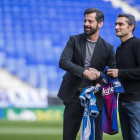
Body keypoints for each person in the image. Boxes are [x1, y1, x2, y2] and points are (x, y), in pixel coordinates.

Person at [58, 8, 116, 140]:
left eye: (90, 21)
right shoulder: (74, 40)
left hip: (95, 99)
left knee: (95, 137)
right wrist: (84, 72)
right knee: (68, 137)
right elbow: (63, 61)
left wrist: (99, 74)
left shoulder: (108, 48)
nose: (86, 24)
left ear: (100, 24)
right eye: (85, 20)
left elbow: (113, 73)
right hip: (73, 96)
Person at [107, 14, 140, 140]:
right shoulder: (120, 48)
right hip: (122, 101)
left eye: (120, 24)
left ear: (131, 27)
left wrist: (119, 73)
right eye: (116, 24)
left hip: (136, 101)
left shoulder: (137, 44)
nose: (116, 27)